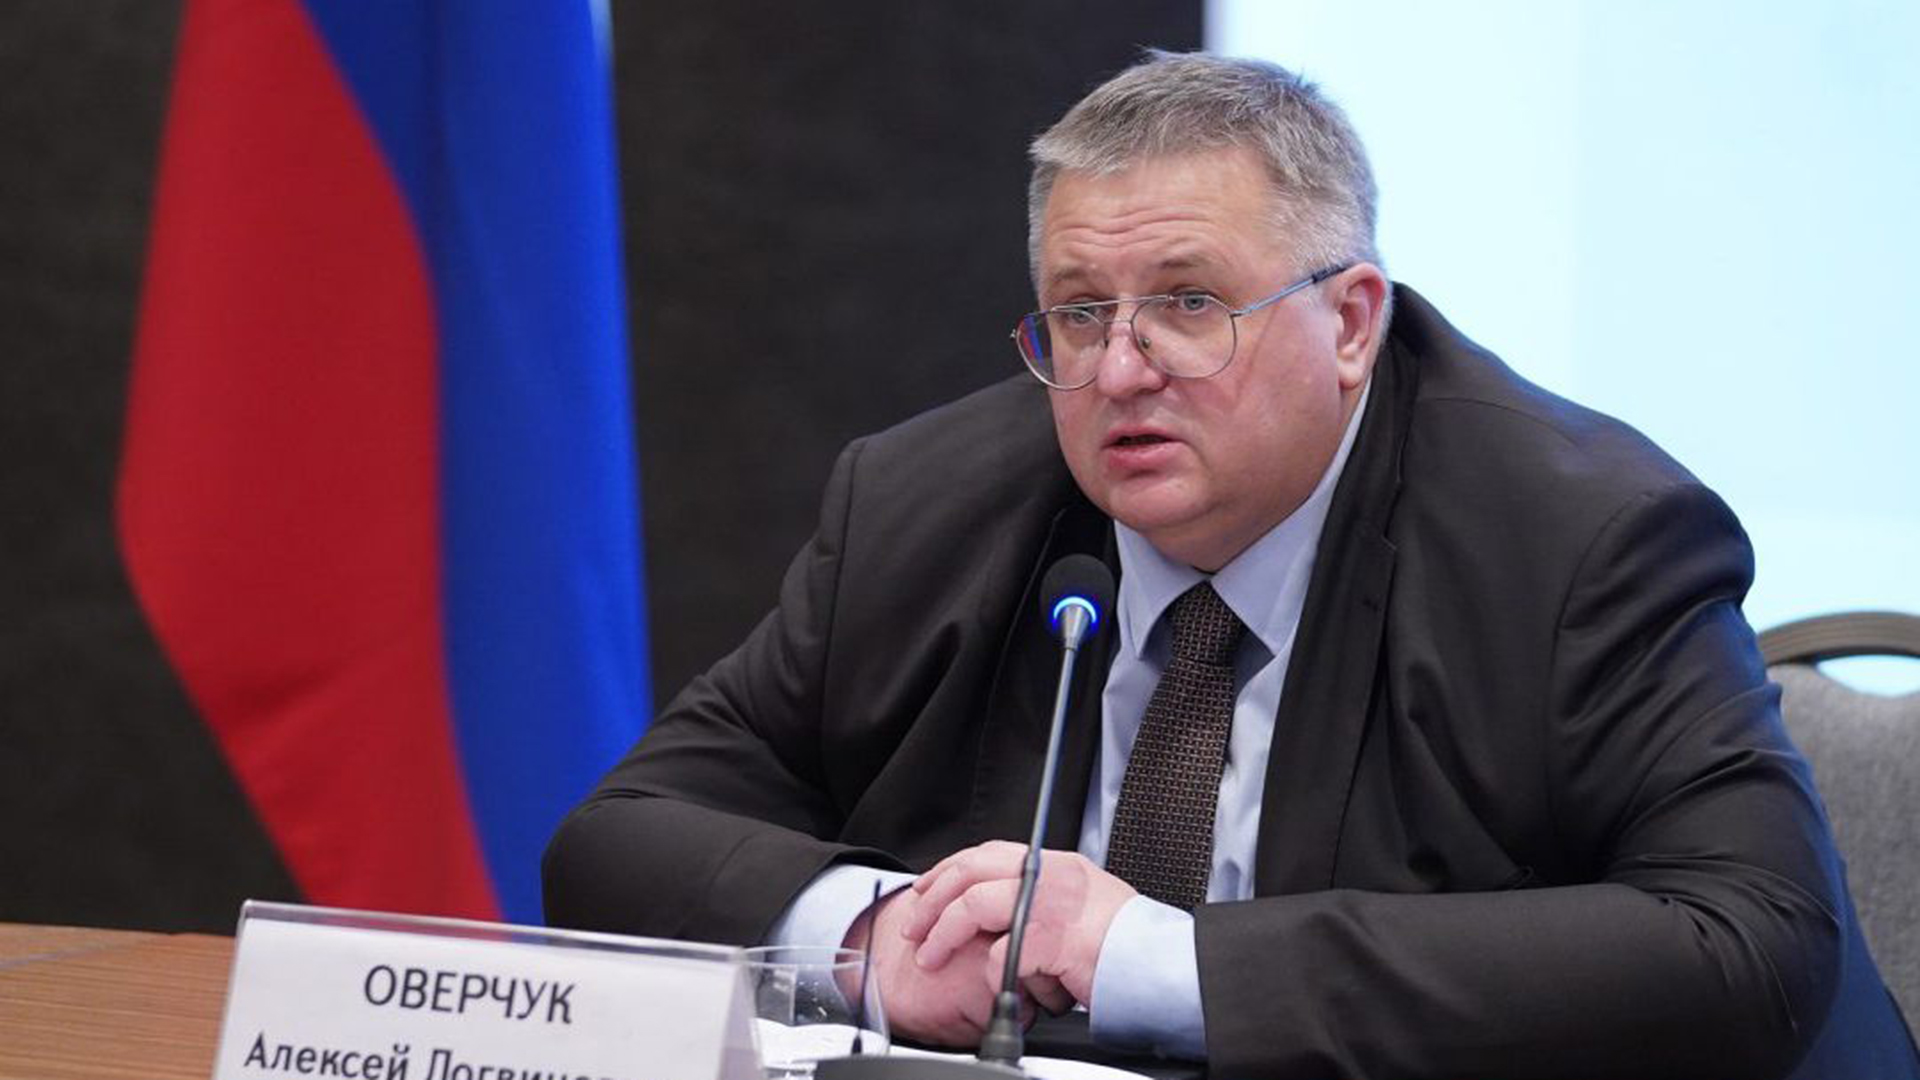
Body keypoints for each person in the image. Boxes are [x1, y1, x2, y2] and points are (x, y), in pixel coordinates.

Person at [543, 52, 1918, 1079]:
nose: (1119, 370)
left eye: (1189, 304)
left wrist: (1144, 958)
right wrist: (872, 935)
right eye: (1080, 314)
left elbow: (1748, 943)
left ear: (1352, 323)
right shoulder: (927, 507)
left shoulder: (1580, 539)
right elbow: (618, 837)